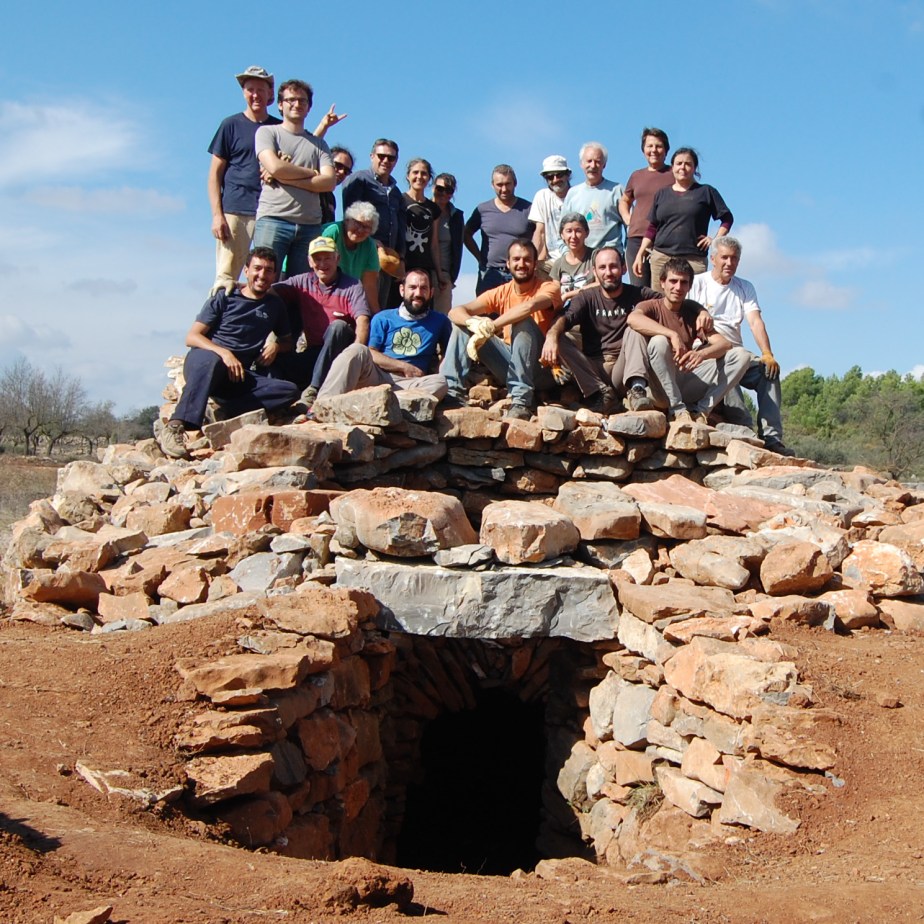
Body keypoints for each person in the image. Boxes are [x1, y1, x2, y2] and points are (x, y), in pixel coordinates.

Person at [157, 247, 300, 459]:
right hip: (206, 360)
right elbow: (192, 336)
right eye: (257, 268)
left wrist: (277, 346)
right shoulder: (225, 296)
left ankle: (227, 411)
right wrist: (224, 353)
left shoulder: (274, 306)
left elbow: (288, 341)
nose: (262, 275)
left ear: (275, 275)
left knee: (289, 391)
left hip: (237, 374)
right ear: (246, 270)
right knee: (212, 361)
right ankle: (176, 427)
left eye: (268, 270)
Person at [690, 237, 793, 455]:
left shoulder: (744, 287)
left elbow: (754, 321)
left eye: (734, 258)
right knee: (732, 374)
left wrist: (767, 353)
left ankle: (772, 437)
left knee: (769, 372)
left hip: (738, 352)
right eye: (724, 257)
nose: (729, 263)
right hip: (707, 350)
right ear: (713, 258)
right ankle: (744, 427)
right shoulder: (697, 283)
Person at [442, 239, 562, 419]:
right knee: (462, 326)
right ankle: (452, 392)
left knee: (522, 322)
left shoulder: (549, 287)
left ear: (535, 264)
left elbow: (528, 307)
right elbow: (455, 311)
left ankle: (521, 401)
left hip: (542, 369)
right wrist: (473, 323)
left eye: (527, 260)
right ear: (508, 263)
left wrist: (490, 327)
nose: (521, 264)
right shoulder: (501, 292)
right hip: (509, 363)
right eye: (516, 259)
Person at [626, 257, 749, 423]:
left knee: (742, 355)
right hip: (658, 386)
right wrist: (672, 334)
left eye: (683, 282)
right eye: (673, 281)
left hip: (686, 380)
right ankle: (677, 410)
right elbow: (633, 319)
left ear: (690, 286)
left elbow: (725, 344)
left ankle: (702, 411)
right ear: (662, 282)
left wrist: (702, 354)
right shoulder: (651, 306)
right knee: (659, 342)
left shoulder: (693, 311)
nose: (678, 287)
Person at [541, 246, 659, 414]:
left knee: (635, 327)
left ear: (623, 268)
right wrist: (551, 337)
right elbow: (565, 318)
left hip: (623, 368)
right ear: (595, 272)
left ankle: (637, 391)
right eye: (602, 267)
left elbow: (669, 303)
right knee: (558, 336)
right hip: (593, 370)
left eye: (613, 266)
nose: (608, 272)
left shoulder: (638, 293)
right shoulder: (586, 297)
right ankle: (602, 394)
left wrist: (699, 312)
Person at [317, 268, 451, 400]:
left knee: (440, 383)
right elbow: (372, 353)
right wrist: (403, 366)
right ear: (402, 290)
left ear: (431, 292)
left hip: (411, 384)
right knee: (356, 350)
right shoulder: (383, 318)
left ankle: (384, 403)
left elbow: (448, 353)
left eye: (423, 288)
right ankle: (324, 403)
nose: (418, 293)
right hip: (378, 376)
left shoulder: (440, 321)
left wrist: (439, 369)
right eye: (412, 287)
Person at [271, 236, 371, 409]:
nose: (322, 264)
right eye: (317, 259)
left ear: (337, 258)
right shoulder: (301, 282)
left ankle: (314, 390)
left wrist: (356, 356)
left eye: (327, 258)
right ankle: (278, 398)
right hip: (315, 353)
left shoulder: (352, 286)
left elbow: (362, 321)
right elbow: (269, 292)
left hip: (341, 356)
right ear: (310, 261)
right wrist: (236, 286)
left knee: (338, 327)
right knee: (277, 362)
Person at [207, 66, 281, 295]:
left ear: (270, 93)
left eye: (261, 89)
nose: (256, 95)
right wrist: (217, 215)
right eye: (250, 90)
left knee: (266, 277)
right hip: (235, 209)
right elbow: (214, 175)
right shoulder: (230, 125)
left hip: (269, 210)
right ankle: (215, 327)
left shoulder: (279, 128)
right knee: (225, 278)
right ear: (243, 93)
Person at [252, 79, 336, 278]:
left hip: (309, 226)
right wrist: (312, 173)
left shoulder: (319, 145)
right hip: (274, 219)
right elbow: (274, 166)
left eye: (302, 101)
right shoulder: (267, 132)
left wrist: (285, 177)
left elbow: (329, 182)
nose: (296, 104)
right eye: (290, 100)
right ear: (280, 104)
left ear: (308, 107)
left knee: (300, 291)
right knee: (264, 282)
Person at [632, 147, 732, 291]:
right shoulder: (662, 194)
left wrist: (715, 240)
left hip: (694, 259)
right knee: (661, 305)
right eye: (679, 163)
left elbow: (727, 218)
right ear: (672, 167)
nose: (682, 167)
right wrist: (641, 252)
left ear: (694, 168)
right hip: (662, 257)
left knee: (693, 304)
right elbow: (653, 227)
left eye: (687, 164)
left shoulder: (706, 192)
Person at [340, 139, 407, 309]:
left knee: (379, 306)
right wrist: (369, 239)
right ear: (372, 156)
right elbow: (350, 215)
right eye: (381, 156)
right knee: (359, 305)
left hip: (386, 259)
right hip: (363, 253)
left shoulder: (396, 191)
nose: (386, 161)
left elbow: (399, 224)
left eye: (391, 158)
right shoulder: (359, 179)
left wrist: (401, 256)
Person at [464, 165, 533, 295]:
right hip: (489, 273)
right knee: (485, 314)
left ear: (515, 183)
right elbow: (466, 234)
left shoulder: (528, 209)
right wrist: (479, 257)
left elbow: (540, 237)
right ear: (492, 185)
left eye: (508, 184)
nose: (504, 189)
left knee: (519, 314)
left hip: (519, 273)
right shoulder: (482, 209)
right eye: (499, 185)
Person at [619, 127, 673, 287]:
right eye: (649, 146)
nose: (654, 150)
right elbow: (625, 201)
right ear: (643, 150)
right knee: (639, 289)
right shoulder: (637, 175)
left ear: (666, 150)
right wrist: (629, 219)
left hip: (663, 240)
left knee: (662, 289)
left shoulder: (674, 173)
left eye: (658, 146)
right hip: (636, 238)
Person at [562, 142, 626, 252]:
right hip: (580, 259)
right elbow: (562, 228)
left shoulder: (617, 190)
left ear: (604, 165)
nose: (593, 166)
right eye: (589, 161)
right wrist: (565, 254)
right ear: (581, 164)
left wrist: (626, 255)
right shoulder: (573, 193)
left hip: (609, 259)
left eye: (597, 162)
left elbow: (631, 226)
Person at [322, 202, 382, 312]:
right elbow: (318, 269)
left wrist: (377, 316)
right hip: (323, 290)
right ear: (347, 220)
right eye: (357, 223)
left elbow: (369, 285)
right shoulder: (333, 231)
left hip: (348, 294)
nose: (360, 230)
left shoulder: (369, 246)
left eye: (366, 227)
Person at [403, 158, 447, 293]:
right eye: (415, 172)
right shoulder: (399, 201)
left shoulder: (433, 208)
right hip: (402, 266)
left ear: (429, 178)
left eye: (424, 173)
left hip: (424, 267)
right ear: (408, 176)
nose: (419, 177)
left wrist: (439, 273)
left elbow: (434, 244)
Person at [529, 155, 572, 265]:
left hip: (576, 260)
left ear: (568, 175)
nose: (555, 180)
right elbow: (540, 232)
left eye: (559, 175)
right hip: (550, 261)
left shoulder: (577, 196)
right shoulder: (541, 196)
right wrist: (536, 262)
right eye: (550, 177)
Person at [432, 173, 464, 314]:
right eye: (440, 189)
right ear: (433, 188)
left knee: (441, 319)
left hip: (445, 276)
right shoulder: (423, 209)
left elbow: (460, 243)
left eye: (449, 190)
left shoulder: (456, 216)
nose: (444, 194)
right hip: (424, 270)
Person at [548, 212, 594, 301]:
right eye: (569, 231)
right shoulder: (558, 264)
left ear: (586, 233)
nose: (573, 236)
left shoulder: (595, 256)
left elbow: (600, 284)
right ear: (562, 235)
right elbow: (556, 293)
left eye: (578, 231)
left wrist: (568, 295)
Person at [320, 144, 355, 225]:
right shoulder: (310, 188)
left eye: (346, 171)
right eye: (338, 166)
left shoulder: (331, 198)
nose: (342, 172)